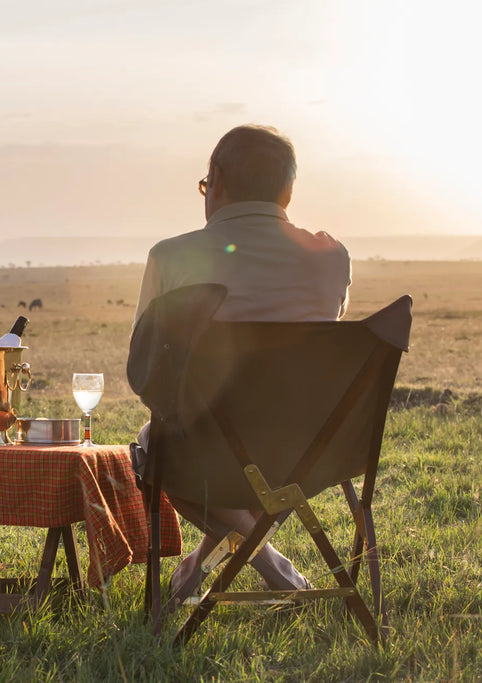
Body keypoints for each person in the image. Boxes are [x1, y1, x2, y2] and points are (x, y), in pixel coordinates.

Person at [132, 124, 351, 604]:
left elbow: (145, 375)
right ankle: (265, 566)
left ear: (218, 179)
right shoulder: (332, 257)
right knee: (239, 465)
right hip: (311, 452)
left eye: (206, 186)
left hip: (203, 453)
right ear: (288, 191)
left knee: (151, 452)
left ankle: (260, 567)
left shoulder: (171, 257)